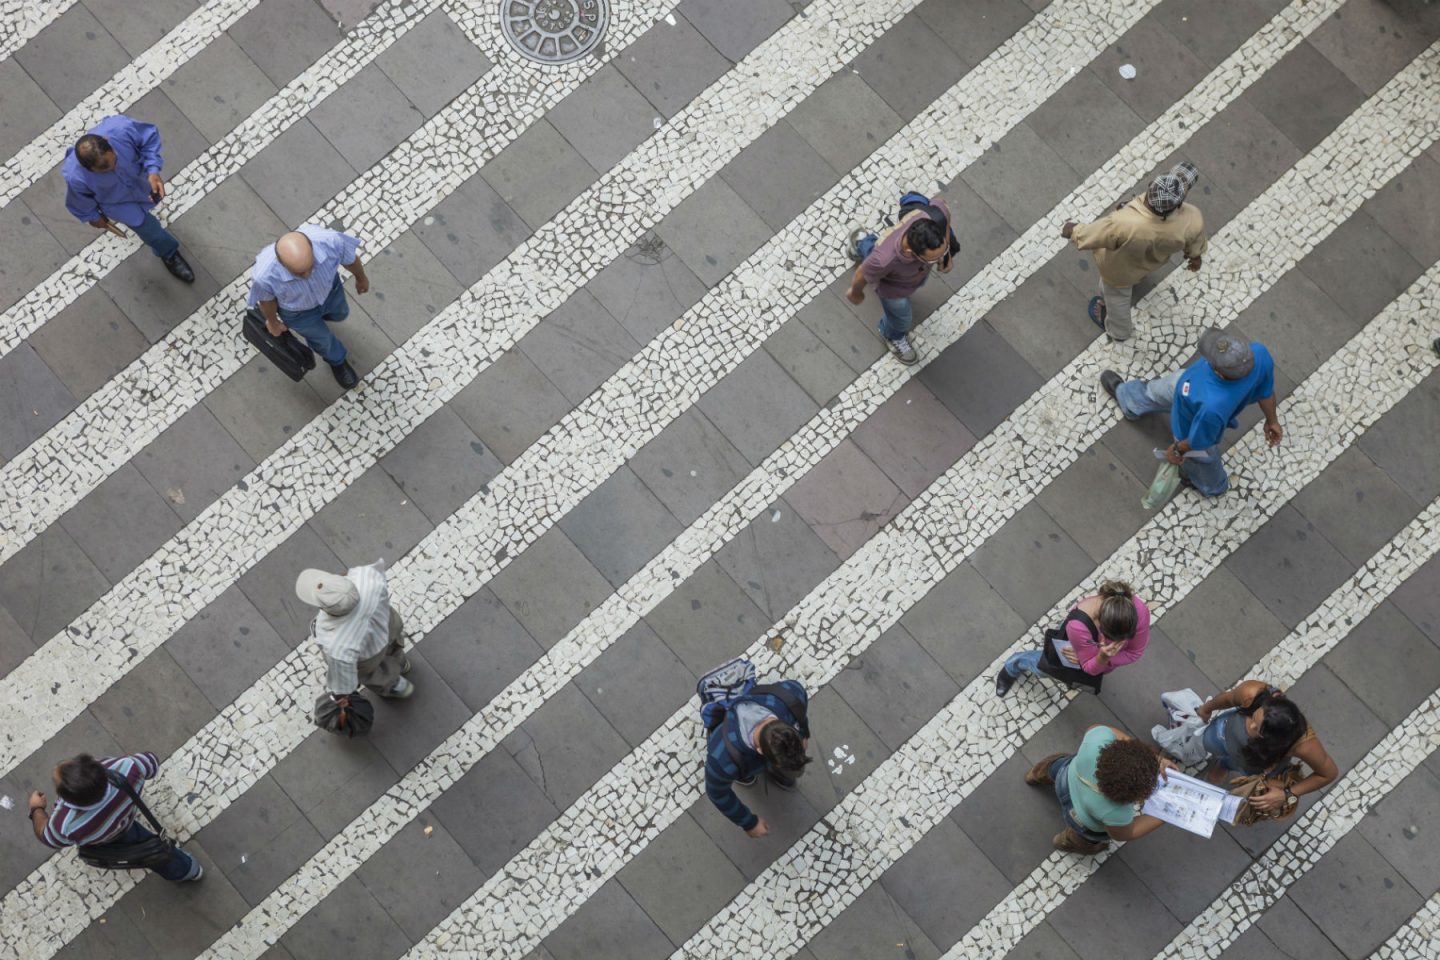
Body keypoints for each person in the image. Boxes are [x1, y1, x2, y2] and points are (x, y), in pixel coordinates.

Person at [1100, 327, 1281, 497]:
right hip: (1183, 385)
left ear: (1219, 372)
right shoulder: (1259, 354)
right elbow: (1266, 391)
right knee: (1157, 390)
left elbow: (1197, 441)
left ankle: (1211, 486)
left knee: (1202, 458)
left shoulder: (1212, 408)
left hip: (1190, 417)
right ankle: (1129, 400)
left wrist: (1177, 450)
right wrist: (1272, 421)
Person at [1062, 161, 1208, 341]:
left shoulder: (1124, 223)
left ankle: (1119, 331)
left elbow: (1093, 234)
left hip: (1120, 272)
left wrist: (1073, 230)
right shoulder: (1192, 217)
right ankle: (1136, 281)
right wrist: (1195, 258)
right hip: (1151, 260)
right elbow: (1195, 241)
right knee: (1139, 271)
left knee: (1116, 298)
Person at [27, 752, 202, 882]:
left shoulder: (65, 825)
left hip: (105, 839)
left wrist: (36, 809)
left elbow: (47, 836)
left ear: (67, 798)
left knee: (145, 853)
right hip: (127, 817)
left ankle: (184, 871)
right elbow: (151, 762)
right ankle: (188, 871)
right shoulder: (128, 767)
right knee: (156, 852)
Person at [62, 116, 194, 283]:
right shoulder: (75, 177)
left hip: (141, 182)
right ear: (86, 168)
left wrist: (153, 170)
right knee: (151, 232)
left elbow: (149, 139)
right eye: (104, 171)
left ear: (107, 141)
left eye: (115, 160)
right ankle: (169, 253)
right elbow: (80, 202)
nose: (113, 168)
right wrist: (94, 217)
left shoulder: (121, 128)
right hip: (119, 204)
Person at [248, 227, 369, 388]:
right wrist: (273, 322)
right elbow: (266, 301)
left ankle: (325, 318)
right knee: (323, 341)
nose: (307, 275)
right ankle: (337, 361)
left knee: (341, 314)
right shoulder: (264, 275)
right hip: (298, 313)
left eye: (310, 267)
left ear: (312, 248)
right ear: (281, 263)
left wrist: (361, 278)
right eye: (299, 273)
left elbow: (351, 260)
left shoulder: (331, 241)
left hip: (330, 292)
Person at [1025, 725, 1172, 855]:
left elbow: (1102, 729)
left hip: (1066, 779)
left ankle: (1035, 775)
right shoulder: (1116, 812)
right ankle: (1066, 842)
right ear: (1137, 796)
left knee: (1052, 766)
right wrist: (1165, 814)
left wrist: (1154, 758)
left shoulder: (1097, 742)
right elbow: (1127, 833)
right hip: (1082, 821)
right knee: (1085, 839)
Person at [1196, 681, 1337, 814]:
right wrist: (1205, 709)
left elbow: (1328, 774)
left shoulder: (1303, 745)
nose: (1251, 726)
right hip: (1223, 734)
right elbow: (1228, 698)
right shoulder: (1251, 693)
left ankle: (1224, 765)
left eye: (1258, 729)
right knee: (1209, 742)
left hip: (1256, 760)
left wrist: (1287, 794)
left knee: (1240, 765)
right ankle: (1224, 763)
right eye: (1255, 716)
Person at [844, 198, 954, 365]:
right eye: (932, 259)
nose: (938, 260)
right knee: (901, 319)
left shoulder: (934, 216)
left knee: (874, 254)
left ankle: (861, 240)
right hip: (893, 289)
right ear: (910, 253)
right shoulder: (884, 259)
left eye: (941, 252)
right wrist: (855, 292)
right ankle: (892, 335)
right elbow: (862, 273)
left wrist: (946, 254)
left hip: (912, 275)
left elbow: (943, 207)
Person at [994, 580, 1149, 697]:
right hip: (1077, 637)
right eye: (1112, 639)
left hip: (1093, 653)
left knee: (1068, 669)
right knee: (1044, 667)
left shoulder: (1139, 612)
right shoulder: (1078, 627)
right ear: (1102, 624)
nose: (1118, 645)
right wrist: (1100, 657)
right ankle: (1012, 666)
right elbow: (1090, 668)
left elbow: (1134, 653)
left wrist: (1100, 658)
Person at [704, 678, 811, 838]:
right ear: (760, 751)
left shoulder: (792, 696)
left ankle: (751, 774)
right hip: (740, 760)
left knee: (794, 769)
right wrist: (749, 822)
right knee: (741, 769)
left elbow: (801, 714)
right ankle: (746, 774)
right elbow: (717, 792)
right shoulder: (722, 759)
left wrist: (804, 733)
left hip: (748, 761)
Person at [296, 562, 414, 700]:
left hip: (366, 658)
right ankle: (402, 664)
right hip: (389, 629)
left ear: (324, 609)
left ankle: (395, 685)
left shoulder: (325, 632)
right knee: (395, 649)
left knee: (374, 676)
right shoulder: (366, 580)